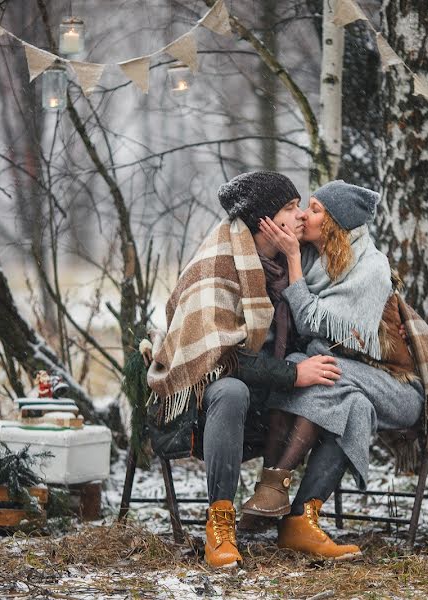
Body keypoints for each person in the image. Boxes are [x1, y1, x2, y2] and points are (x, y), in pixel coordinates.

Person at [242, 180, 428, 558]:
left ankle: (273, 483)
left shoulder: (370, 268)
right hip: (349, 383)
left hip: (399, 388)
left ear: (337, 224)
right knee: (351, 404)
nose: (305, 214)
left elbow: (310, 324)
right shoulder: (313, 258)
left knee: (318, 368)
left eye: (316, 209)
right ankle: (300, 520)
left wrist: (292, 260)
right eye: (305, 206)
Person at [145, 171, 343, 570]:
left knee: (341, 392)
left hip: (261, 406)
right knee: (231, 388)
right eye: (290, 208)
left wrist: (311, 367)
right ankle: (220, 524)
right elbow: (223, 358)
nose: (301, 215)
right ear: (265, 221)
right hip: (196, 411)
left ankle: (299, 519)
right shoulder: (216, 266)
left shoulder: (285, 264)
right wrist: (293, 375)